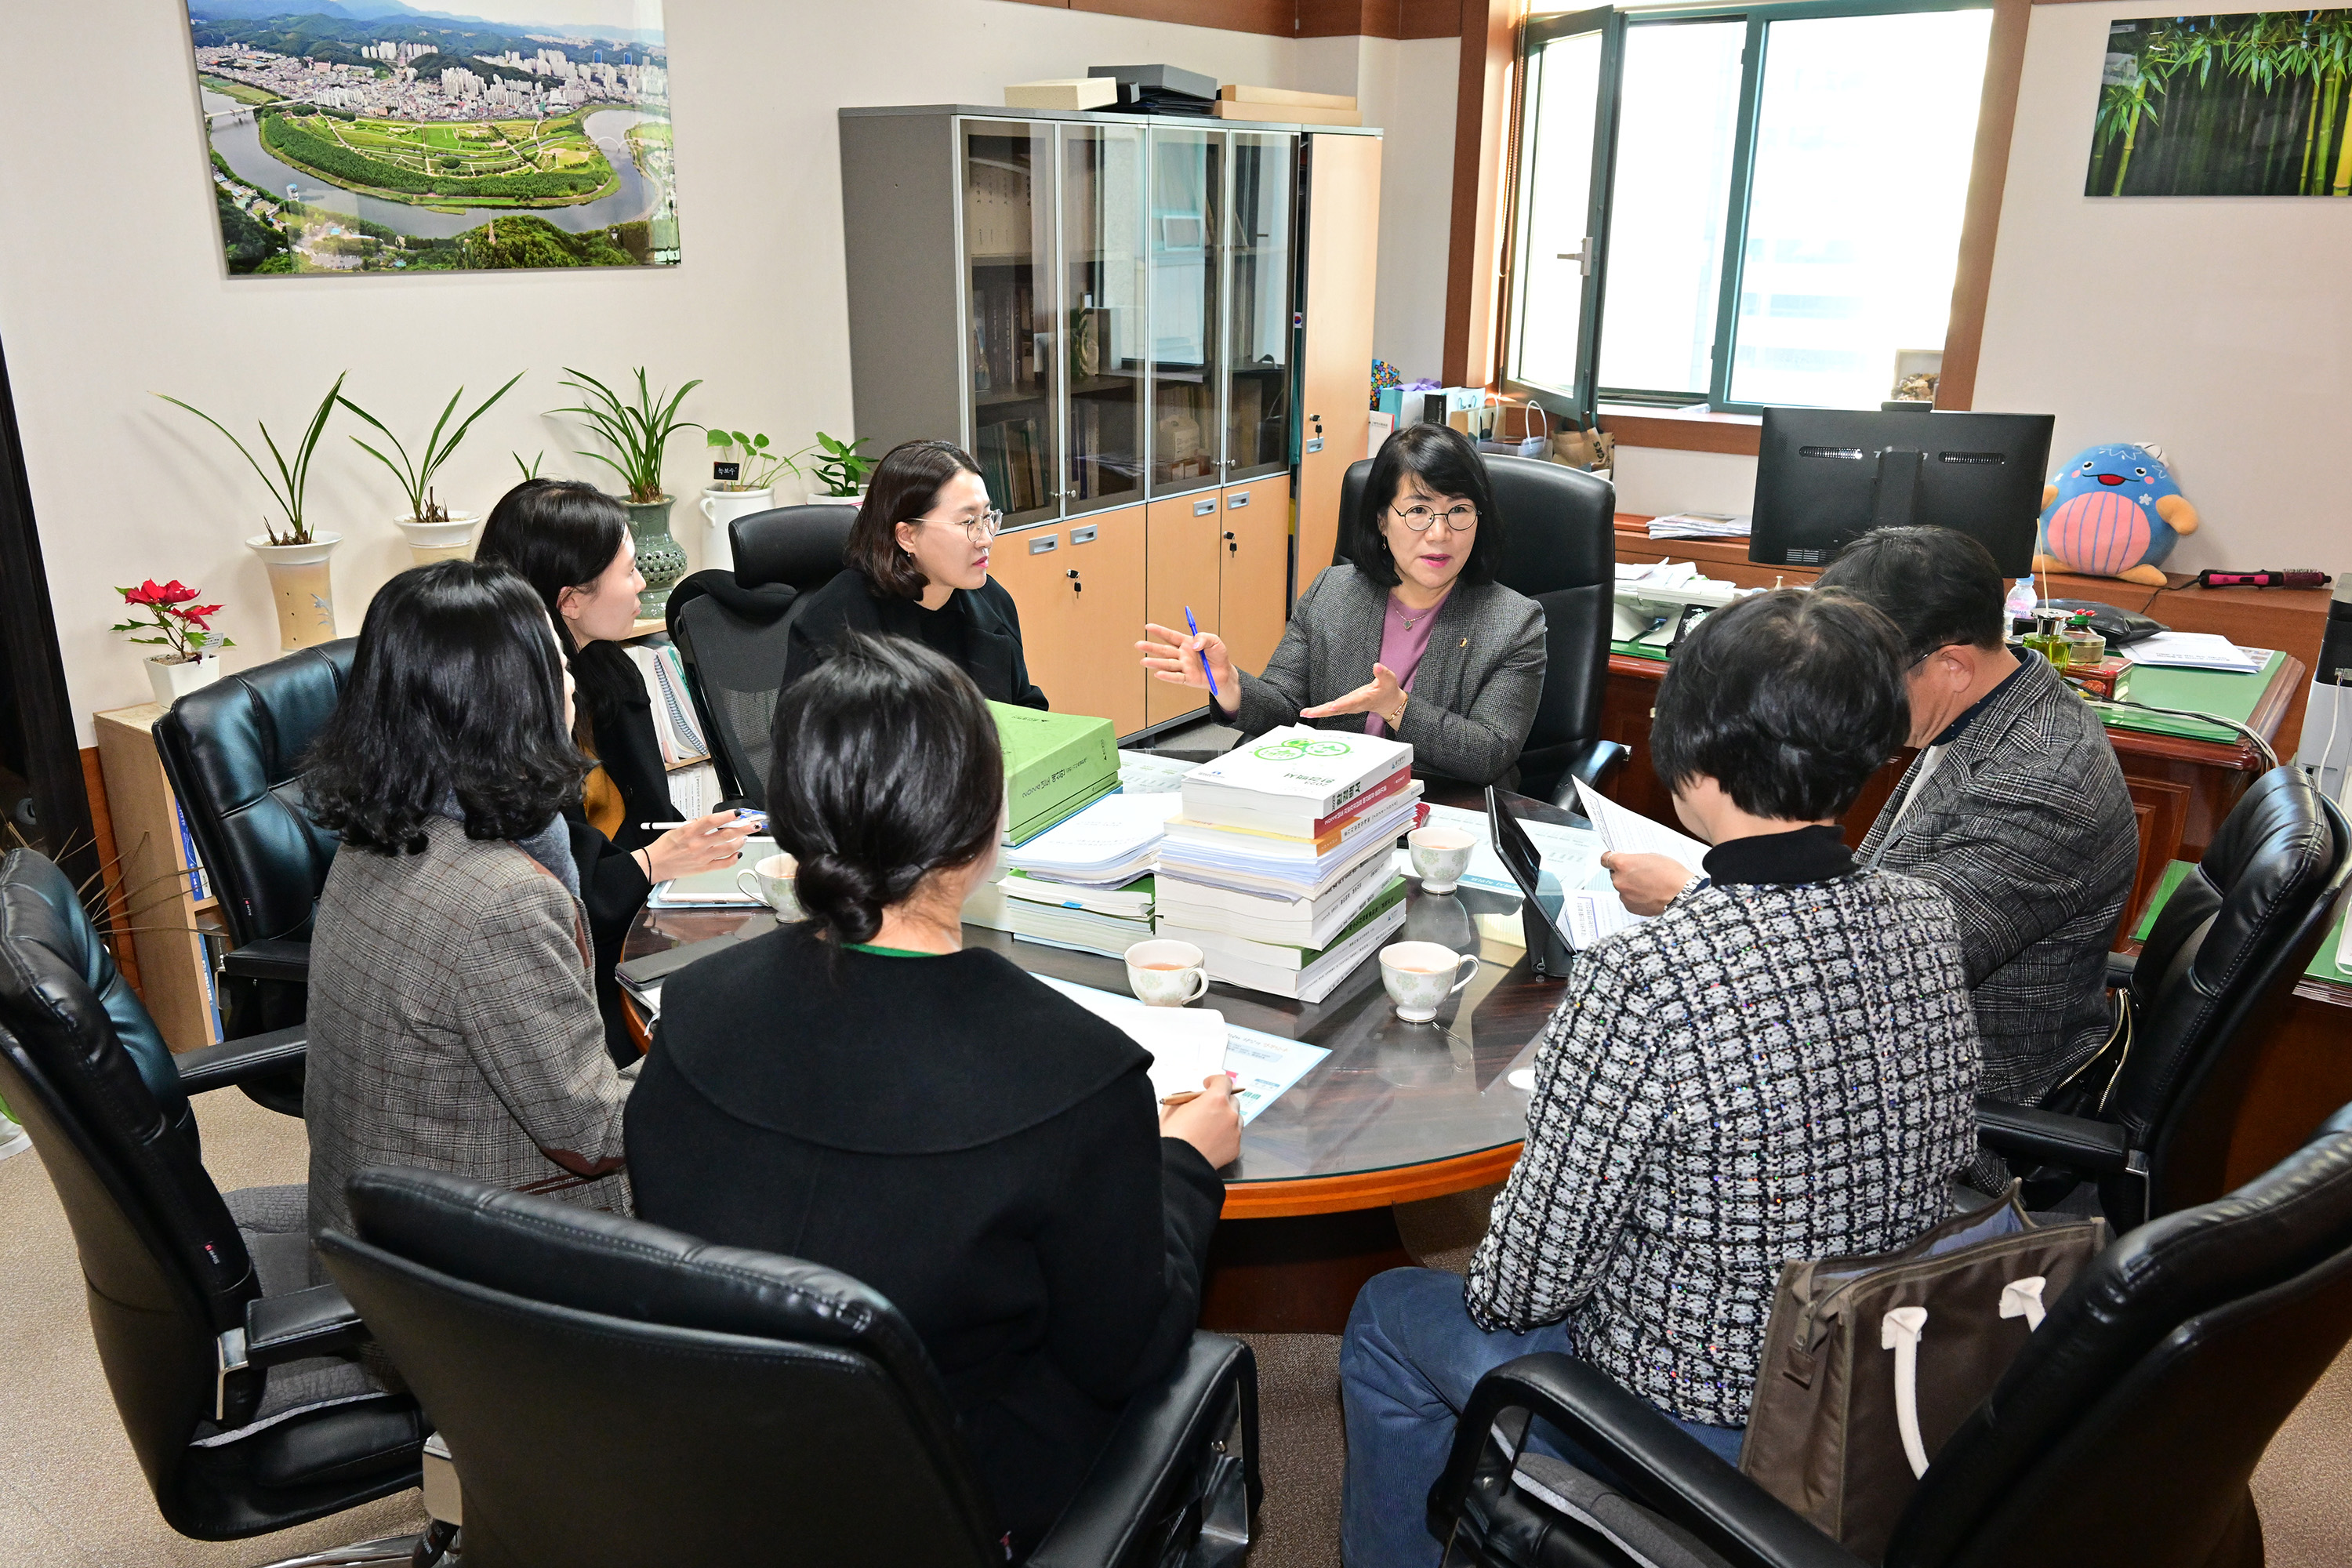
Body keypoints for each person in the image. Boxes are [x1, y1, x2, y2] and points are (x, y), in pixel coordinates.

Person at [1338, 590, 1981, 1568]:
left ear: (1693, 752)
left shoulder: (1649, 975)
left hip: (1694, 1424)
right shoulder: (1927, 915)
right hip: (1870, 1382)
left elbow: (1517, 1286)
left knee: (1390, 1315)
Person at [626, 632, 1236, 1558]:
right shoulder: (1079, 1072)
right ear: (984, 826)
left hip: (720, 1463)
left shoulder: (697, 1007)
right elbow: (1125, 1350)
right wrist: (1184, 1163)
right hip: (955, 1502)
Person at [1607, 527, 2135, 1160]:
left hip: (1943, 1106)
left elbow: (1890, 970)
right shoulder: (1983, 708)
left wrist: (1689, 899)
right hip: (1870, 1041)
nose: (1849, 695)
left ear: (1953, 664)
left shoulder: (2044, 785)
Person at [300, 560, 637, 1250]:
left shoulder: (380, 832)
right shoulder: (504, 902)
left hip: (382, 1229)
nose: (571, 679)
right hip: (473, 1271)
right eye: (552, 661)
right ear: (510, 698)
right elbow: (597, 1136)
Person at [476, 478, 753, 1062]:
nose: (643, 586)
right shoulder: (503, 723)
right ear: (570, 600)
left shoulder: (613, 674)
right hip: (568, 965)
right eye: (629, 572)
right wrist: (656, 863)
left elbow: (653, 816)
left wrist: (691, 850)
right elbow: (556, 892)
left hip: (642, 912)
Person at [1138, 423, 1544, 785]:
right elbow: (1286, 708)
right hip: (1331, 803)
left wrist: (1396, 706)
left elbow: (1491, 754)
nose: (1440, 534)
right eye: (1418, 511)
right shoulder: (1332, 593)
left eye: (1459, 510)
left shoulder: (1513, 623)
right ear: (1382, 521)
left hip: (1440, 814)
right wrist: (1230, 684)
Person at [783, 438, 1048, 708]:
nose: (986, 539)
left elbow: (1025, 709)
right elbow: (808, 744)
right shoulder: (836, 623)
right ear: (907, 536)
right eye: (968, 522)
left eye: (988, 517)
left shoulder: (993, 601)